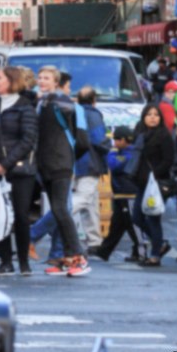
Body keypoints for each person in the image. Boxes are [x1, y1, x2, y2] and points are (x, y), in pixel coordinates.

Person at [0, 66, 39, 276]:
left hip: (20, 171)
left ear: (12, 81)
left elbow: (27, 140)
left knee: (21, 216)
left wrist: (5, 164)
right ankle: (5, 260)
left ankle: (23, 261)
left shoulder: (25, 107)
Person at [35, 65, 90, 277]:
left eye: (46, 78)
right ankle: (66, 259)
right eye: (40, 77)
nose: (41, 81)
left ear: (56, 82)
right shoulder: (43, 102)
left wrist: (67, 156)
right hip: (48, 163)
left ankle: (78, 256)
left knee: (60, 209)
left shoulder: (64, 104)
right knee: (59, 210)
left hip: (60, 163)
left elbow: (83, 141)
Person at [131, 103, 174, 268]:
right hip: (141, 183)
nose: (153, 117)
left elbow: (168, 160)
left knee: (153, 217)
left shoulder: (164, 135)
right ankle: (160, 243)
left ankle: (155, 254)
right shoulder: (139, 134)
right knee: (137, 217)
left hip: (156, 184)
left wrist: (153, 175)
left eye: (156, 115)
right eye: (149, 114)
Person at [72, 87, 110, 255]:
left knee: (92, 203)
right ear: (94, 100)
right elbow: (98, 139)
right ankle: (55, 218)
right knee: (84, 200)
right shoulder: (93, 114)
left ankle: (95, 240)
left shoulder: (73, 111)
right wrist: (110, 146)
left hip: (73, 161)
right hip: (90, 161)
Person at [94, 126, 140, 263]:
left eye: (116, 140)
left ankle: (142, 249)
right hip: (121, 193)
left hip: (127, 193)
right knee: (117, 225)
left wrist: (112, 151)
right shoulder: (128, 152)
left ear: (125, 140)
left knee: (132, 225)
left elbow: (113, 164)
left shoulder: (127, 154)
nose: (114, 143)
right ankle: (104, 251)